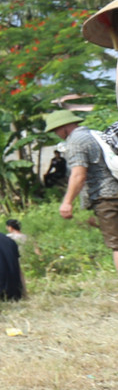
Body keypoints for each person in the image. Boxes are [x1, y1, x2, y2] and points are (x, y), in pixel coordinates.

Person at [48, 108, 118, 275]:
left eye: (56, 130)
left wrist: (67, 202)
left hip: (106, 196)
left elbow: (78, 175)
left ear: (64, 126)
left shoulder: (76, 141)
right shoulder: (94, 134)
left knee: (116, 244)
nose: (56, 134)